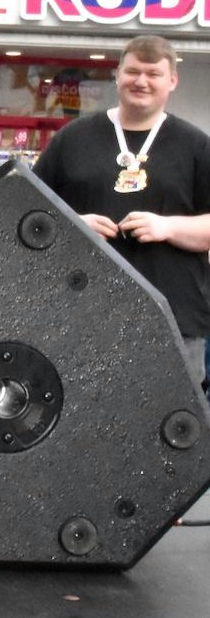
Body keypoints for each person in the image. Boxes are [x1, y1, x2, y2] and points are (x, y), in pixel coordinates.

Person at [34, 37, 210, 389]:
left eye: (153, 73)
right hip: (79, 312)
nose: (141, 81)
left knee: (173, 425)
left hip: (175, 319)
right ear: (117, 76)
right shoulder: (73, 139)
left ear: (172, 81)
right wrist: (71, 226)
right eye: (132, 71)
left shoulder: (196, 145)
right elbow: (29, 213)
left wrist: (167, 227)